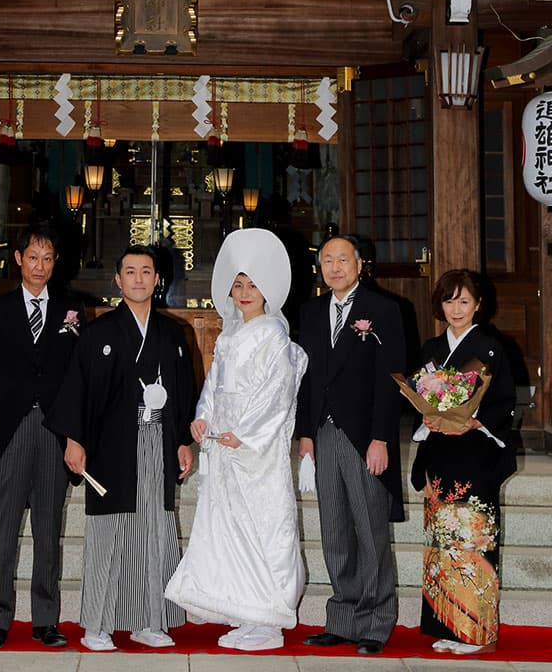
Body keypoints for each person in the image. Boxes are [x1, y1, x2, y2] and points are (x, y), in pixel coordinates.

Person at [45, 245, 197, 652]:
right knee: (108, 533)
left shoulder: (172, 333)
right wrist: (74, 440)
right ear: (118, 280)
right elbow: (77, 388)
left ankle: (150, 620)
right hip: (111, 442)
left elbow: (183, 392)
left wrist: (183, 440)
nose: (138, 278)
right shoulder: (99, 333)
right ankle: (97, 624)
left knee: (154, 532)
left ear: (157, 279)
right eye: (130, 271)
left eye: (146, 271)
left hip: (157, 439)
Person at [165, 228, 308, 651]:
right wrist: (202, 418)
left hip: (253, 451)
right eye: (239, 284)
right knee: (229, 528)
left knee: (263, 526)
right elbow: (213, 385)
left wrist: (242, 434)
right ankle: (247, 613)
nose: (245, 293)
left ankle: (270, 618)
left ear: (268, 290)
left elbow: (277, 393)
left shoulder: (272, 336)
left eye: (253, 285)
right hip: (224, 446)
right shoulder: (228, 335)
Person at [0, 221, 83, 649]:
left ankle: (45, 621)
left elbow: (77, 377)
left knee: (48, 527)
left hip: (54, 430)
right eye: (32, 257)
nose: (40, 266)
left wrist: (75, 434)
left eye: (48, 258)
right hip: (9, 429)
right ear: (18, 259)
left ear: (56, 263)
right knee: (2, 528)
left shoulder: (71, 311)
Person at [296, 234, 405, 655]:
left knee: (369, 529)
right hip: (323, 433)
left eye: (343, 259)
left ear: (360, 264)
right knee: (335, 530)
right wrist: (306, 433)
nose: (335, 267)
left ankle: (377, 623)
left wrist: (381, 438)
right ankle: (342, 618)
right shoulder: (310, 311)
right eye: (327, 260)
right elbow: (306, 380)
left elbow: (392, 380)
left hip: (364, 436)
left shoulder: (383, 310)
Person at [411, 269, 516, 655]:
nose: (456, 309)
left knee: (472, 542)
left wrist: (476, 421)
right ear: (440, 305)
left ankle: (475, 632)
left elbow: (505, 402)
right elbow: (421, 393)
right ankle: (447, 625)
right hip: (441, 454)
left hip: (475, 453)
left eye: (464, 301)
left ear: (478, 305)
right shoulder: (430, 348)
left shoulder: (492, 348)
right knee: (441, 543)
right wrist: (427, 417)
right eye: (449, 300)